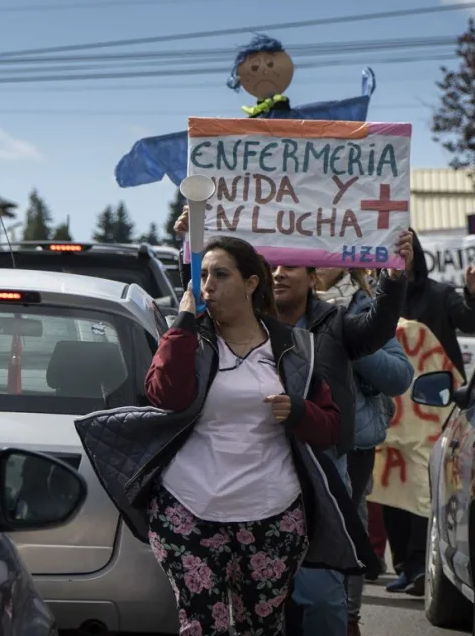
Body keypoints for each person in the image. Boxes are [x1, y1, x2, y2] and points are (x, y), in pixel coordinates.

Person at [172, 208, 410, 636]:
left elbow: (377, 335)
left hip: (319, 470)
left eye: (291, 265)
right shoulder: (230, 327)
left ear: (315, 276)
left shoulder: (334, 324)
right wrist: (191, 241)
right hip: (244, 483)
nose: (280, 273)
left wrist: (392, 278)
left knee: (319, 597)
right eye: (273, 266)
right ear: (256, 280)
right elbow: (199, 296)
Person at [138, 236, 366, 635]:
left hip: (272, 515)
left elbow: (331, 427)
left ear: (250, 284)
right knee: (201, 626)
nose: (208, 284)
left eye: (220, 274)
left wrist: (297, 411)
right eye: (203, 274)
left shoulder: (294, 348)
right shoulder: (191, 339)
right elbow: (164, 397)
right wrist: (184, 322)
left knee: (259, 626)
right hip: (189, 509)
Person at [381, 227, 475, 596]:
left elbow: (471, 320)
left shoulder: (441, 295)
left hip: (432, 409)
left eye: (406, 245)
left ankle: (422, 568)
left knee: (424, 485)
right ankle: (404, 567)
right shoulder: (377, 298)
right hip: (392, 412)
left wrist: (473, 293)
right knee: (393, 486)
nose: (401, 251)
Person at [316, 267, 414, 636]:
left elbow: (399, 376)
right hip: (289, 444)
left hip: (351, 447)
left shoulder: (362, 308)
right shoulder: (280, 304)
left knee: (346, 534)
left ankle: (347, 619)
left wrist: (345, 341)